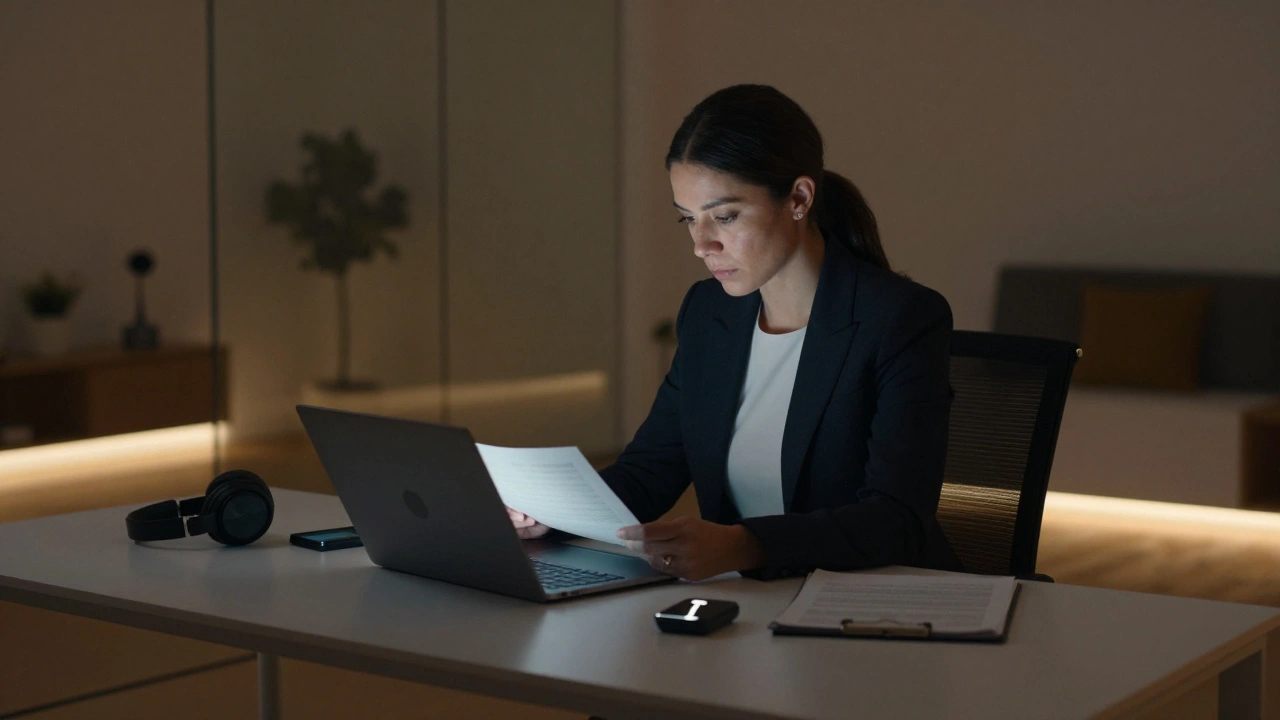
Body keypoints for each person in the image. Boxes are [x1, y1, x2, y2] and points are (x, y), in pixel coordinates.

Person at [510, 84, 962, 580]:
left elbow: (896, 520)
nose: (702, 244)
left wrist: (746, 547)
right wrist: (549, 514)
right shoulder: (709, 314)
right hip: (748, 602)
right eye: (688, 219)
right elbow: (651, 470)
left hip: (869, 601)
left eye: (724, 216)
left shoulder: (899, 318)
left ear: (799, 198)